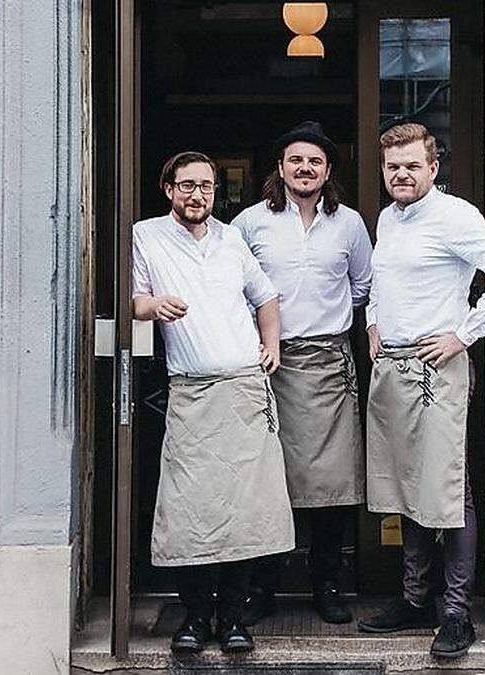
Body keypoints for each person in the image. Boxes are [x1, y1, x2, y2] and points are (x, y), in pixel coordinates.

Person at [357, 123, 485, 659]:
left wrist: (463, 334)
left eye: (412, 165)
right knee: (405, 486)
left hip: (436, 369)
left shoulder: (455, 216)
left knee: (449, 489)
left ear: (433, 168)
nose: (401, 174)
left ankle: (455, 612)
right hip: (393, 365)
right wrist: (373, 322)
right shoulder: (388, 218)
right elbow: (381, 285)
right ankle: (413, 598)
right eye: (392, 167)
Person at [132, 150, 295, 654]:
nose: (197, 194)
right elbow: (132, 301)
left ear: (214, 192)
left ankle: (234, 619)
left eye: (205, 186)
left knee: (244, 511)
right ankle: (195, 619)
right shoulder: (146, 235)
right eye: (187, 185)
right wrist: (153, 306)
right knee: (191, 512)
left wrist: (272, 345)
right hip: (191, 393)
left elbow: (265, 297)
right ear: (169, 189)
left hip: (245, 388)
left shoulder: (232, 239)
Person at [232, 121, 373, 625]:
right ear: (281, 167)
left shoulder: (350, 224)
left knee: (331, 486)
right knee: (269, 481)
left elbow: (363, 288)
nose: (305, 168)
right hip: (269, 363)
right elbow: (234, 289)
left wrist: (325, 320)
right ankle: (262, 588)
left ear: (328, 170)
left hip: (331, 364)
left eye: (315, 161)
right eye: (296, 159)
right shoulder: (250, 223)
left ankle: (326, 584)